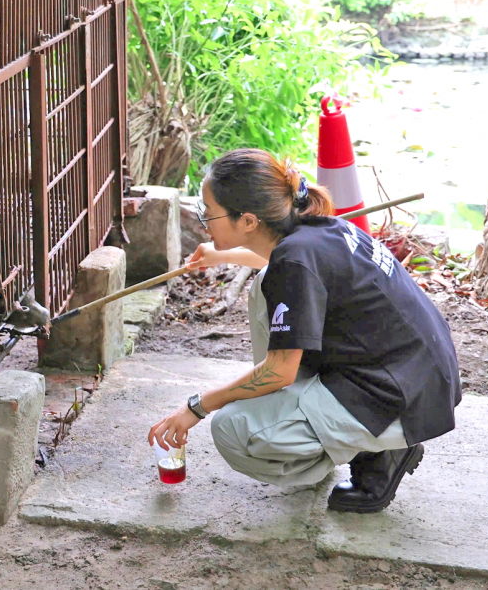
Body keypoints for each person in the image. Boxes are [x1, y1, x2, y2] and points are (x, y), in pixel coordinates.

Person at [148, 149, 461, 513]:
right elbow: (285, 262)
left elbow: (279, 369)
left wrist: (196, 407)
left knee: (233, 430)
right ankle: (326, 424)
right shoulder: (319, 229)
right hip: (416, 374)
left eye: (209, 212)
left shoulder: (294, 263)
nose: (204, 221)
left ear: (248, 220)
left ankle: (377, 452)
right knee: (265, 284)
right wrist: (223, 254)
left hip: (399, 400)